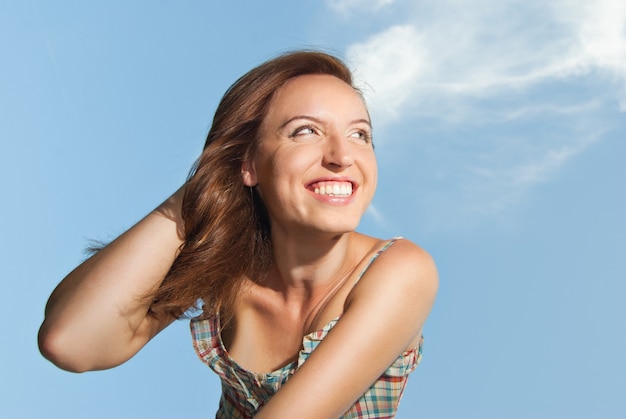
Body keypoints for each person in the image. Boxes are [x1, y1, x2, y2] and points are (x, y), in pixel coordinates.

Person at [38, 50, 438, 418]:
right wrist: (207, 187)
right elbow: (71, 341)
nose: (342, 156)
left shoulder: (401, 272)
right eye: (305, 131)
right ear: (247, 164)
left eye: (360, 135)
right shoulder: (227, 272)